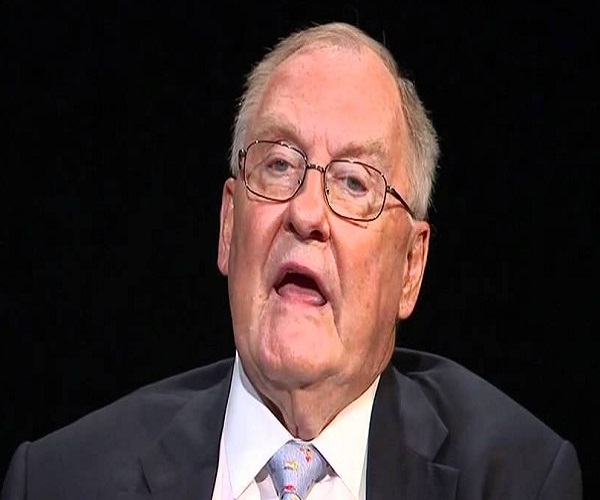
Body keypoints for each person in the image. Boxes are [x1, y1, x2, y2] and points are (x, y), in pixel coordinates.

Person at [2, 21, 582, 500]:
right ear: (229, 226)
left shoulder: (516, 480)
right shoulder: (60, 481)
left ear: (411, 267)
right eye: (279, 165)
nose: (306, 213)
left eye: (354, 182)